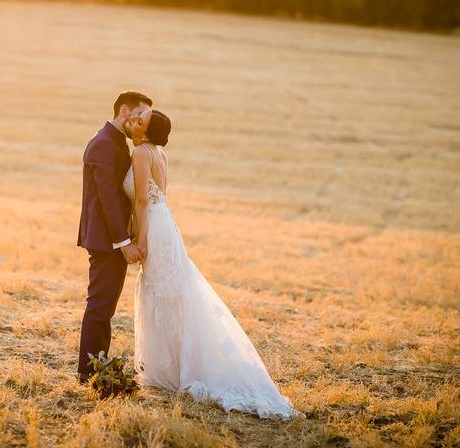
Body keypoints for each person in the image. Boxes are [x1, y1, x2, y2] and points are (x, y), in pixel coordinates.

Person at [123, 107, 299, 419]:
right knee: (173, 295)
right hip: (167, 224)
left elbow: (141, 201)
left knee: (162, 295)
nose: (135, 119)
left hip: (154, 227)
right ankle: (179, 365)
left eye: (141, 120)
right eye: (136, 115)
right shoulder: (160, 153)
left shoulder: (140, 152)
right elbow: (160, 197)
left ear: (147, 133)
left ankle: (177, 370)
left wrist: (140, 239)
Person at [76, 90, 152, 382]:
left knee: (104, 306)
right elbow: (108, 198)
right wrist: (123, 243)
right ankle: (89, 371)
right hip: (106, 239)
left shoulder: (117, 142)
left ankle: (96, 365)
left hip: (113, 238)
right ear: (124, 110)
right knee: (99, 305)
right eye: (138, 115)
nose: (140, 122)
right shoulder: (104, 144)